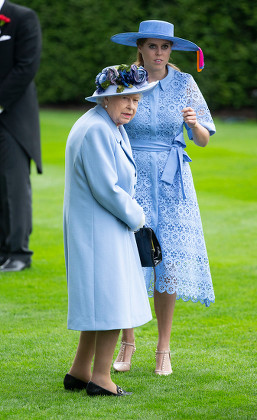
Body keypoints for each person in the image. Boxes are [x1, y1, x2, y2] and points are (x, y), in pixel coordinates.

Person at [111, 20, 216, 375]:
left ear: (172, 50)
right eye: (152, 46)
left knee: (166, 262)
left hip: (173, 182)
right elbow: (107, 120)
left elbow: (202, 139)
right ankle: (127, 343)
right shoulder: (124, 79)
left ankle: (163, 349)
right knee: (129, 257)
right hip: (132, 173)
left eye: (165, 47)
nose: (159, 53)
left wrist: (194, 123)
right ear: (139, 48)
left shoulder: (186, 84)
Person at [63, 64, 157, 397]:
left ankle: (79, 371)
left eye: (136, 99)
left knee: (100, 302)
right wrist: (138, 216)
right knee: (112, 303)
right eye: (125, 98)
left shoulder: (105, 124)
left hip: (101, 226)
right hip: (99, 227)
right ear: (105, 99)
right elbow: (106, 188)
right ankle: (101, 379)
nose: (132, 105)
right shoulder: (97, 130)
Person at [0, 1, 42, 272]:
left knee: (13, 185)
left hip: (13, 116)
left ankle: (18, 253)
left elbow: (27, 66)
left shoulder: (23, 18)